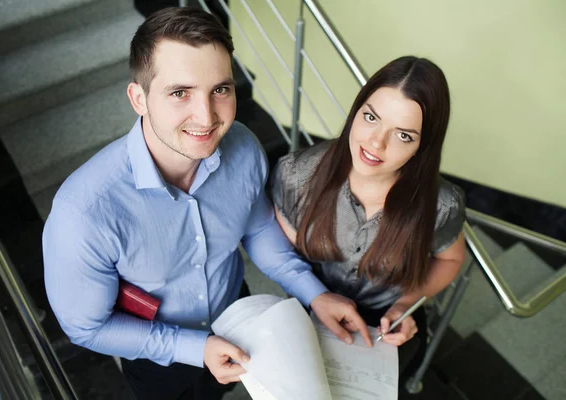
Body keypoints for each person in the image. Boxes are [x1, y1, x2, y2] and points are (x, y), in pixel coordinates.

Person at [42, 7, 371, 400]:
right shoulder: (83, 213)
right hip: (156, 352)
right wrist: (195, 349)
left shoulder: (244, 148)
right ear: (139, 98)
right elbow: (87, 327)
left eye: (220, 89)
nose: (207, 116)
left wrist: (313, 293)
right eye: (180, 93)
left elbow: (259, 227)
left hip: (238, 315)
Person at [271, 56, 467, 373]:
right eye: (371, 117)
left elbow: (450, 259)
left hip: (386, 317)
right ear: (356, 110)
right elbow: (283, 249)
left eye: (403, 135)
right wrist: (313, 296)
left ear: (423, 146)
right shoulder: (297, 174)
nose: (376, 142)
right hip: (313, 302)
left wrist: (405, 305)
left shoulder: (441, 205)